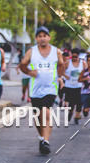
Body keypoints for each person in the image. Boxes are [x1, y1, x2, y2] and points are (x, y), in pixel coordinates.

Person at [19, 26, 64, 155]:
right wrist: (28, 71)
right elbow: (22, 64)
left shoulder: (56, 51)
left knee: (46, 112)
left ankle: (46, 141)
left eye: (45, 35)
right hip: (35, 89)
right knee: (38, 117)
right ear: (36, 38)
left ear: (49, 37)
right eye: (40, 36)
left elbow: (61, 65)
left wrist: (59, 77)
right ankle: (41, 137)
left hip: (51, 88)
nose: (43, 38)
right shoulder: (31, 52)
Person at [63, 48, 83, 125]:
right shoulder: (67, 63)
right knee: (72, 103)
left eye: (76, 57)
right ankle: (70, 112)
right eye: (73, 56)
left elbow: (86, 72)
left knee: (79, 103)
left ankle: (76, 117)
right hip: (70, 86)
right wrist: (65, 76)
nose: (74, 58)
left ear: (78, 56)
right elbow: (60, 71)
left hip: (79, 86)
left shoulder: (83, 63)